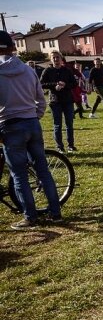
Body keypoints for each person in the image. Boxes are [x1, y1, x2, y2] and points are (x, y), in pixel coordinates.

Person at [0, 30, 62, 229]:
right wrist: (35, 116)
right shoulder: (28, 70)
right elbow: (40, 99)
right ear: (12, 47)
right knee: (42, 170)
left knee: (19, 175)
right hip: (32, 123)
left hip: (9, 125)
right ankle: (56, 213)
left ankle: (30, 216)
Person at [39, 51, 77, 153]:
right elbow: (41, 84)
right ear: (51, 59)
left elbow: (74, 83)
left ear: (61, 58)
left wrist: (64, 85)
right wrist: (54, 84)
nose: (56, 59)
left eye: (57, 57)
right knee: (57, 124)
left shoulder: (67, 70)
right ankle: (59, 146)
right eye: (54, 58)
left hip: (67, 100)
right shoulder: (47, 71)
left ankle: (71, 145)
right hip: (55, 101)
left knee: (69, 124)